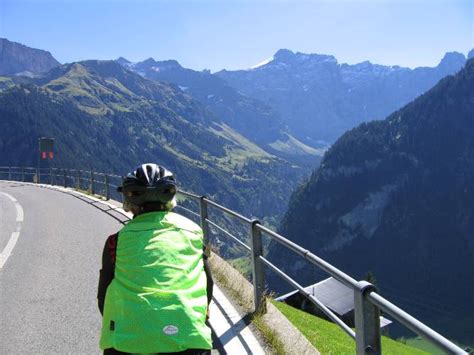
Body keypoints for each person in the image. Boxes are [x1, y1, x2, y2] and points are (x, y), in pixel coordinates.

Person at [97, 163, 213, 354]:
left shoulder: (115, 242)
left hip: (127, 342)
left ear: (129, 203)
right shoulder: (193, 232)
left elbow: (103, 296)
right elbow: (208, 284)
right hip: (188, 338)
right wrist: (201, 315)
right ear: (169, 199)